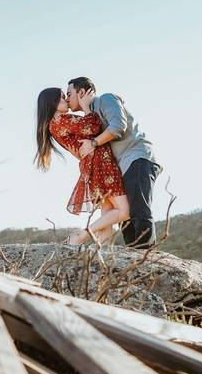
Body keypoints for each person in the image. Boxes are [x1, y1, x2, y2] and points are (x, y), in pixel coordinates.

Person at [66, 77, 162, 248]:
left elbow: (118, 126)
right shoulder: (90, 117)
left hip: (136, 158)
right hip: (120, 168)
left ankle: (145, 257)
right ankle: (133, 258)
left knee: (139, 209)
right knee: (125, 217)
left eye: (69, 94)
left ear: (81, 92)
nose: (67, 99)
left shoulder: (106, 99)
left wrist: (94, 142)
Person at [34, 86, 129, 245]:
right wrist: (86, 106)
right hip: (99, 163)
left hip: (95, 164)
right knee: (124, 211)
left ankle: (103, 254)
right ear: (53, 102)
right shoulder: (60, 120)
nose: (66, 100)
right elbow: (93, 126)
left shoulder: (56, 123)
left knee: (108, 212)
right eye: (63, 97)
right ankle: (81, 235)